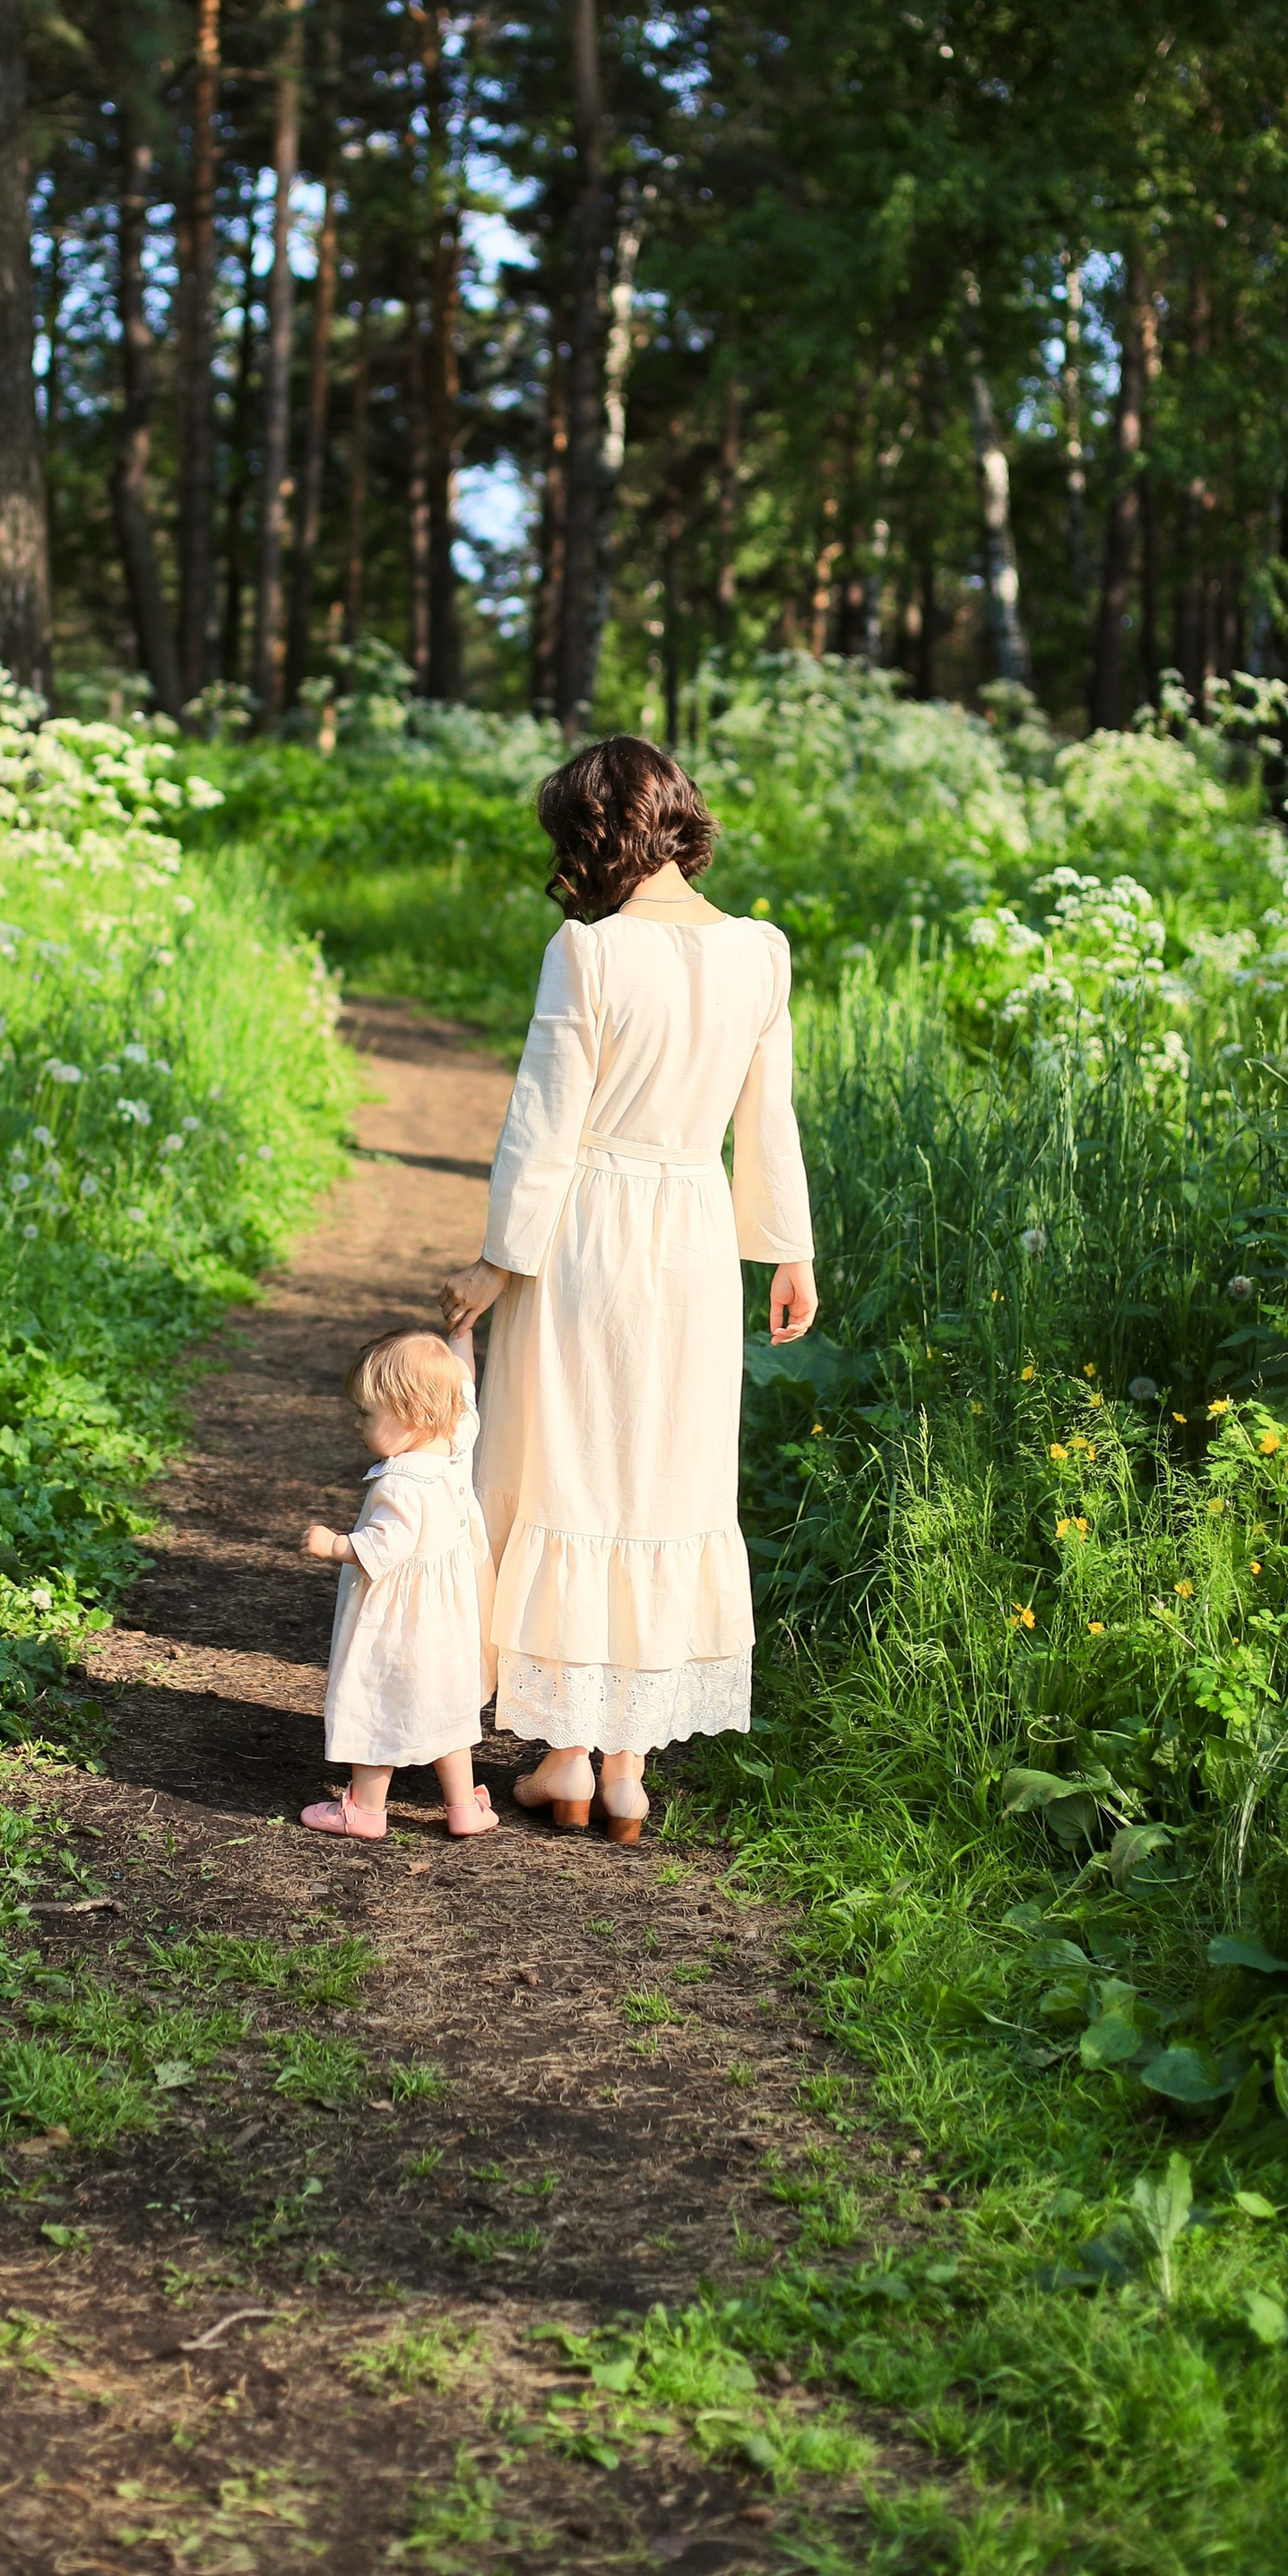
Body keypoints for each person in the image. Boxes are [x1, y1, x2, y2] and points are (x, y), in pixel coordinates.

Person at [441, 735, 817, 1844]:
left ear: (594, 836)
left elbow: (542, 1128)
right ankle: (623, 1773)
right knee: (666, 1474)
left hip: (590, 1231)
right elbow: (769, 1119)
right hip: (694, 1232)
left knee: (569, 1463)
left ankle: (559, 1754)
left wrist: (493, 1264)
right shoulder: (761, 951)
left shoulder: (587, 952)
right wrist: (787, 1251)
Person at [298, 1326, 499, 1842]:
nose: (358, 1424)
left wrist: (333, 1543)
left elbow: (384, 1547)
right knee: (447, 1707)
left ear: (411, 1417)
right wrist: (461, 1339)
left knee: (376, 1697)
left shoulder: (400, 1482)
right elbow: (465, 1393)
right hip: (449, 1622)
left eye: (366, 1414)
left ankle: (365, 1809)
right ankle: (463, 1808)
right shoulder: (455, 1446)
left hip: (398, 1625)